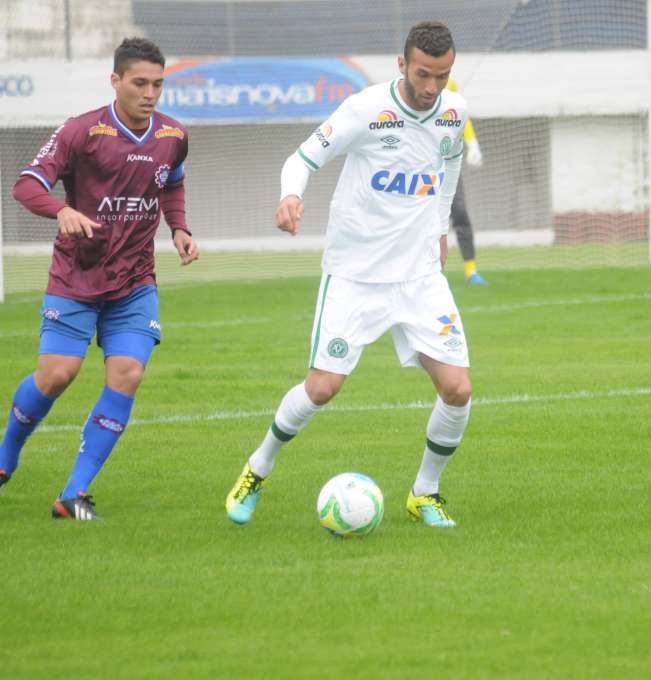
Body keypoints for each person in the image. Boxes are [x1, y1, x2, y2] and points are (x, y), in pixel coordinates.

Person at [225, 21, 471, 529]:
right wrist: (291, 195)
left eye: (442, 77)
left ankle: (425, 493)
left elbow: (447, 174)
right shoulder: (365, 110)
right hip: (355, 275)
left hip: (420, 276)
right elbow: (302, 157)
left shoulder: (453, 112)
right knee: (321, 388)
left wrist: (441, 228)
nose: (431, 88)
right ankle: (257, 468)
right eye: (423, 74)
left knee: (458, 389)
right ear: (401, 65)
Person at [0, 38, 198, 519]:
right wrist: (63, 209)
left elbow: (171, 183)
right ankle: (6, 458)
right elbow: (27, 185)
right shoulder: (81, 131)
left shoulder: (173, 135)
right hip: (76, 277)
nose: (150, 93)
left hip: (134, 283)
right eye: (140, 83)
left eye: (158, 84)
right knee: (57, 375)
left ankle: (74, 493)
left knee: (127, 373)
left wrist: (180, 228)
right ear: (116, 81)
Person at [445, 77, 487, 284]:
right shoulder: (411, 85)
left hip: (448, 166)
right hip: (420, 167)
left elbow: (462, 117)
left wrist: (473, 144)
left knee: (460, 213)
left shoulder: (450, 84)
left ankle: (471, 270)